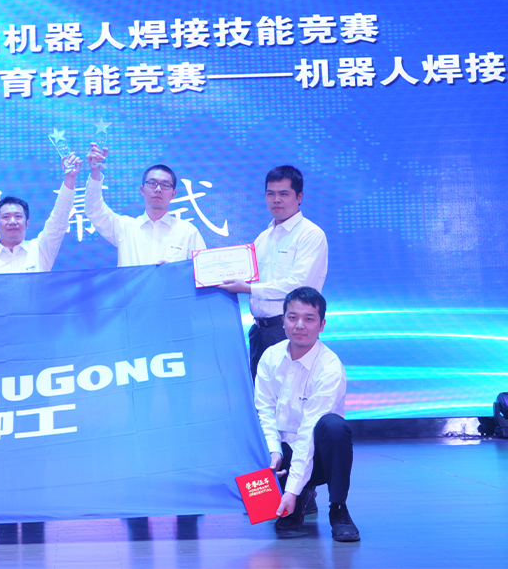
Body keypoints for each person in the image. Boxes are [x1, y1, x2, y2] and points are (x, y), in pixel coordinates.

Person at [254, 287, 359, 542]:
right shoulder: (270, 357)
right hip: (282, 455)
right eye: (292, 317)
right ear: (283, 320)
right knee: (268, 511)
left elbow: (308, 431)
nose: (299, 325)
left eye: (309, 319)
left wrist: (291, 489)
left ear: (322, 325)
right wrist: (273, 452)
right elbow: (263, 411)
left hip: (318, 456)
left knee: (334, 427)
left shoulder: (330, 367)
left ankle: (338, 508)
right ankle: (298, 497)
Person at [217, 165, 328, 381]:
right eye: (271, 194)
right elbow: (245, 275)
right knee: (262, 395)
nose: (276, 200)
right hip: (260, 332)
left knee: (291, 392)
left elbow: (297, 286)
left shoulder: (311, 234)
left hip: (290, 330)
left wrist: (247, 288)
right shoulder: (263, 238)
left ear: (299, 197)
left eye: (284, 194)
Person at [84, 142, 205, 266]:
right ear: (142, 190)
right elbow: (94, 210)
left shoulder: (187, 232)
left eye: (165, 185)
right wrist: (95, 171)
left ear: (173, 194)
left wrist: (175, 272)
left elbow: (204, 270)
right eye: (152, 183)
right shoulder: (125, 228)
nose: (158, 189)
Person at [0, 154, 82, 274]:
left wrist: (70, 177)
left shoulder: (40, 250)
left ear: (27, 223)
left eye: (18, 216)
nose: (12, 221)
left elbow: (59, 219)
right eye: (6, 217)